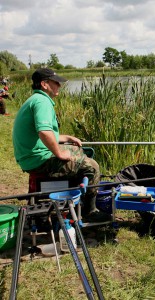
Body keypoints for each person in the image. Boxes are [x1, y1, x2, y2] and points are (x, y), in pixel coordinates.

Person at [12, 68, 109, 222]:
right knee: (92, 166)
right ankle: (90, 211)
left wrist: (66, 137)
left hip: (31, 156)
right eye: (56, 82)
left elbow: (45, 133)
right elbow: (44, 133)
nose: (59, 85)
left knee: (78, 150)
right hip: (38, 159)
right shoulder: (42, 102)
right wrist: (59, 153)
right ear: (44, 84)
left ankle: (78, 197)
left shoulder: (36, 99)